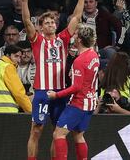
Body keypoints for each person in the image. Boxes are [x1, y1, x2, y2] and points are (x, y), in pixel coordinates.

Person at [22, 0, 89, 159]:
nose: (51, 24)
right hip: (42, 91)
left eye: (53, 22)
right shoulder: (37, 40)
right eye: (47, 23)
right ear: (41, 27)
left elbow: (76, 16)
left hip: (61, 91)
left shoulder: (63, 39)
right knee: (36, 130)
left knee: (58, 131)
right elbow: (27, 21)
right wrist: (25, 1)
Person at [47, 25, 100, 160]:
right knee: (78, 135)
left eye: (76, 35)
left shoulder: (79, 61)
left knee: (58, 134)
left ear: (80, 40)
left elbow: (76, 87)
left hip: (79, 103)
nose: (74, 37)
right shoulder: (94, 55)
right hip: (90, 102)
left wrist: (56, 95)